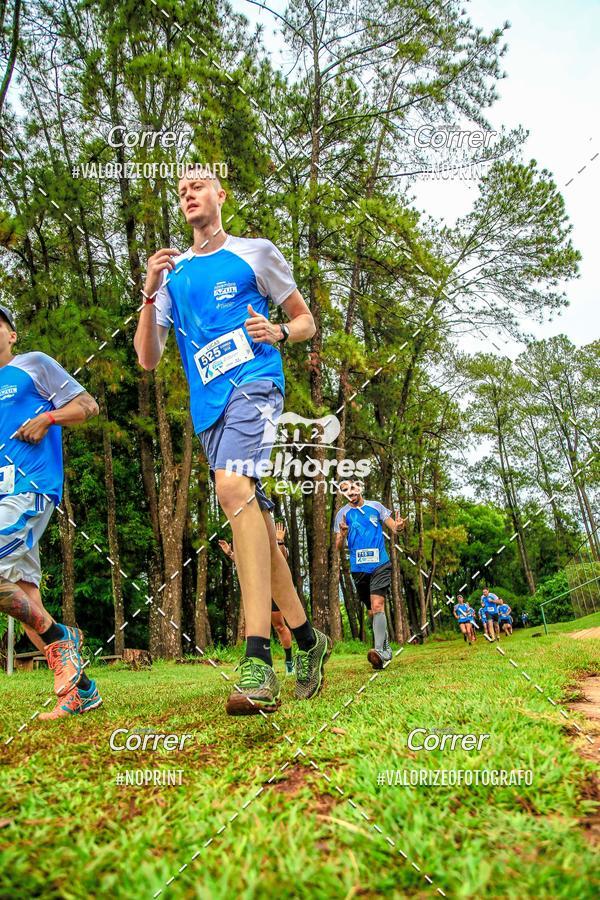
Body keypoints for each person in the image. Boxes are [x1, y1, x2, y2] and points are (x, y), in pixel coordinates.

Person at [134, 167, 330, 715]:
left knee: (230, 485)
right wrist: (150, 293)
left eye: (198, 186)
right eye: (181, 191)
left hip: (257, 384)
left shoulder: (255, 252)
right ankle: (310, 641)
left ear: (221, 195)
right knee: (254, 520)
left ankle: (257, 657)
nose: (188, 194)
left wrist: (281, 332)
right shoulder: (174, 278)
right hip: (208, 409)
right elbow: (147, 359)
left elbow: (306, 320)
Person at [0, 305, 102, 719]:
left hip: (30, 489)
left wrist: (48, 418)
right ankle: (83, 690)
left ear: (12, 335)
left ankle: (62, 640)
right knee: (26, 604)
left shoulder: (33, 366)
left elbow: (88, 405)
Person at [334, 479, 406, 669]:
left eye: (352, 487)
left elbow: (394, 528)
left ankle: (379, 651)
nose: (350, 492)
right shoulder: (342, 514)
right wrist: (342, 535)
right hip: (358, 569)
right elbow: (337, 547)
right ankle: (385, 648)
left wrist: (399, 526)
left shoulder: (376, 507)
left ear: (359, 488)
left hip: (380, 564)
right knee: (371, 610)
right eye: (344, 490)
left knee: (378, 605)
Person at [219, 521, 294, 675]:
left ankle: (289, 662)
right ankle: (264, 664)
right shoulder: (253, 545)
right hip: (258, 591)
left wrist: (279, 540)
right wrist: (230, 554)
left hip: (274, 590)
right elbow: (246, 564)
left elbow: (282, 558)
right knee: (257, 628)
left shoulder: (276, 543)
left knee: (279, 626)